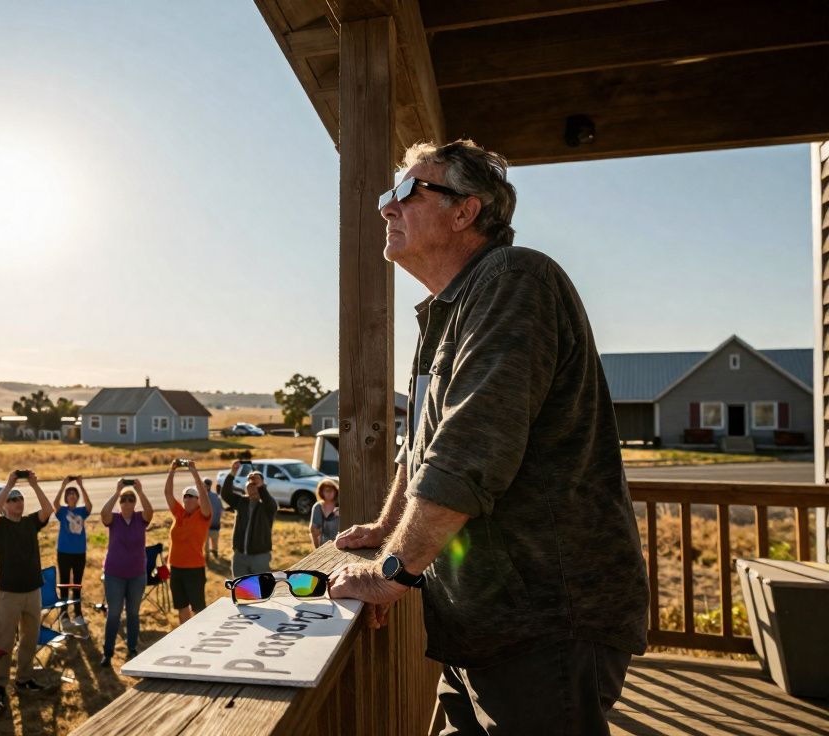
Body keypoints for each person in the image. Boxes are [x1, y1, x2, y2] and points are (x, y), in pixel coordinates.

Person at [328, 139, 648, 735]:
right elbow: (423, 443)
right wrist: (385, 529)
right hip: (483, 618)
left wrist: (388, 573)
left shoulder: (513, 278)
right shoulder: (448, 310)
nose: (385, 209)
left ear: (464, 210)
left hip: (546, 618)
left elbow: (471, 448)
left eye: (404, 192)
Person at [0, 470, 55, 703]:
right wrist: (9, 484)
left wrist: (34, 485)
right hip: (8, 592)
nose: (18, 502)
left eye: (20, 498)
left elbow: (48, 510)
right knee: (4, 640)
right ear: (5, 505)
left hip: (32, 590)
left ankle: (24, 678)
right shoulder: (0, 525)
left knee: (30, 637)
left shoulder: (29, 523)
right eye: (12, 500)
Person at [98, 479, 153, 666]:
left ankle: (132, 649)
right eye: (124, 499)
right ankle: (108, 652)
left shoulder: (140, 519)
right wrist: (117, 492)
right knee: (113, 613)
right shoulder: (114, 519)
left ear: (135, 502)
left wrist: (140, 490)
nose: (127, 502)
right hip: (114, 574)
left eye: (131, 499)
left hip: (137, 574)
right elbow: (103, 513)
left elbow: (150, 511)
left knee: (133, 613)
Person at [163, 460, 211, 623]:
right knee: (181, 607)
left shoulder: (203, 515)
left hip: (194, 569)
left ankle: (200, 637)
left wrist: (194, 472)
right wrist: (172, 470)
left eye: (192, 496)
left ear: (198, 500)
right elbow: (168, 494)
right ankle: (185, 637)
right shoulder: (179, 514)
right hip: (176, 568)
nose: (188, 499)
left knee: (198, 608)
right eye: (185, 496)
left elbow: (204, 496)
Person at [219, 460, 277, 577]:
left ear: (262, 486)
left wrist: (261, 487)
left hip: (260, 557)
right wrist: (232, 474)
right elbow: (225, 494)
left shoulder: (267, 505)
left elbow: (271, 504)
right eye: (250, 484)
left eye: (255, 484)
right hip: (240, 556)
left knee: (261, 592)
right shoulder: (241, 502)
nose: (252, 486)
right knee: (242, 592)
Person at [53, 475, 93, 636]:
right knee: (64, 583)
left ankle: (78, 614)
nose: (72, 496)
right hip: (63, 552)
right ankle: (64, 614)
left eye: (74, 494)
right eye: (69, 494)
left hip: (79, 553)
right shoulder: (62, 511)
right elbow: (55, 504)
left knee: (77, 584)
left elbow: (90, 505)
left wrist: (81, 486)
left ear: (77, 498)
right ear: (66, 498)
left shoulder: (82, 511)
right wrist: (63, 486)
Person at [309, 479, 340, 548]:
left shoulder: (341, 506)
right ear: (321, 492)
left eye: (331, 490)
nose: (329, 493)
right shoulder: (317, 507)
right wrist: (317, 549)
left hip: (340, 544)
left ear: (336, 491)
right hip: (324, 546)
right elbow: (313, 530)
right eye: (326, 490)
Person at [204, 479, 223, 559]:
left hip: (207, 525)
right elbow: (221, 510)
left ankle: (208, 556)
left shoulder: (202, 497)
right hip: (215, 524)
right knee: (213, 542)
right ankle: (214, 553)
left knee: (206, 543)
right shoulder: (216, 496)